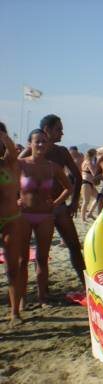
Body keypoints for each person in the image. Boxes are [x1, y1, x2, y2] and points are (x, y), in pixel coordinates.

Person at [20, 115, 85, 285]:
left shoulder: (61, 152)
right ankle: (42, 291)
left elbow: (77, 176)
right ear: (47, 129)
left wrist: (74, 201)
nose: (62, 133)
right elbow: (13, 172)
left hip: (58, 206)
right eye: (59, 129)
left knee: (74, 245)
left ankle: (85, 284)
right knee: (38, 252)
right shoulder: (29, 151)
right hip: (34, 209)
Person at [19, 129, 72, 307]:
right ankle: (22, 299)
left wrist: (56, 203)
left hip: (45, 216)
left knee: (42, 258)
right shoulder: (21, 164)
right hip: (23, 215)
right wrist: (14, 200)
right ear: (30, 144)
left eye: (44, 141)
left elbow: (68, 188)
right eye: (37, 141)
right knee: (22, 260)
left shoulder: (52, 167)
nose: (41, 144)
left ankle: (42, 298)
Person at [0, 124, 25, 326]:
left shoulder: (9, 163)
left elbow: (12, 151)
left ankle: (15, 312)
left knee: (12, 267)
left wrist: (3, 135)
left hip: (10, 219)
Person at [80, 148, 98, 222]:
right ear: (93, 154)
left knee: (98, 197)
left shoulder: (85, 161)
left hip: (89, 183)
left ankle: (90, 213)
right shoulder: (88, 162)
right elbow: (94, 173)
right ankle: (83, 218)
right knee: (86, 201)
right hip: (86, 182)